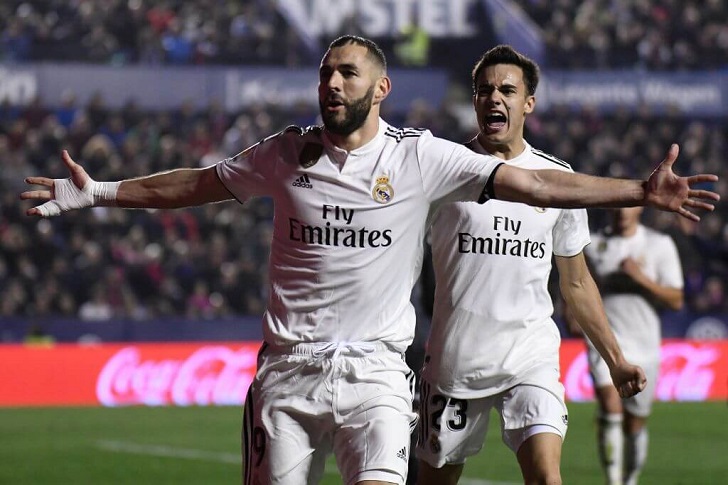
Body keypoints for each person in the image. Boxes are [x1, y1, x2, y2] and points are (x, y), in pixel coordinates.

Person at [20, 35, 718, 485]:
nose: (332, 83)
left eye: (347, 73)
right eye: (325, 72)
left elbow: (536, 184)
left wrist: (637, 190)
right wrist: (100, 194)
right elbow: (197, 184)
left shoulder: (423, 158)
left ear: (379, 89)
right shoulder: (284, 153)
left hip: (379, 375)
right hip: (289, 376)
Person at [414, 44, 648, 485]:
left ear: (528, 103)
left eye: (507, 89)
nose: (494, 98)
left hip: (530, 356)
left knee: (545, 476)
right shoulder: (445, 172)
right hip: (454, 361)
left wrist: (615, 360)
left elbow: (576, 284)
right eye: (484, 91)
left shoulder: (559, 179)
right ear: (475, 102)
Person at [583, 207, 684, 485]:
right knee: (609, 405)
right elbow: (579, 286)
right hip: (606, 340)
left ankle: (629, 479)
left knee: (634, 423)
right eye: (616, 206)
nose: (622, 212)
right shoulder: (592, 244)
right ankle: (613, 482)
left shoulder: (658, 245)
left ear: (640, 208)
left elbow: (675, 299)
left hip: (645, 343)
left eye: (628, 205)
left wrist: (640, 278)